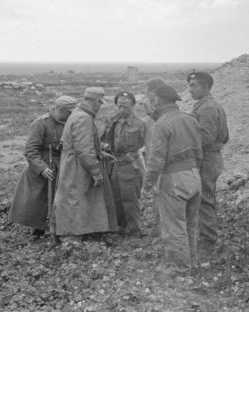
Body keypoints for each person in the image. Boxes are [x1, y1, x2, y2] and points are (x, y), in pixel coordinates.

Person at [143, 84, 203, 274]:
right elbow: (200, 151)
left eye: (153, 100)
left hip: (173, 178)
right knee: (191, 223)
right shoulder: (190, 119)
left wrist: (147, 185)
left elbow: (156, 160)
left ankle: (179, 267)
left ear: (159, 101)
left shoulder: (162, 124)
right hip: (193, 174)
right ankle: (191, 261)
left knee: (173, 225)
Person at [53, 87, 118, 246]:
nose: (99, 107)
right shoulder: (83, 118)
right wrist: (96, 173)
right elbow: (84, 150)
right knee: (75, 199)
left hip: (73, 163)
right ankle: (71, 237)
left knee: (75, 198)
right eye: (99, 103)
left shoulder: (76, 114)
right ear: (95, 101)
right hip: (78, 166)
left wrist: (101, 154)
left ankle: (80, 233)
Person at [9, 95, 77, 237]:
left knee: (60, 201)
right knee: (39, 203)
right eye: (70, 111)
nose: (72, 114)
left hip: (62, 168)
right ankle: (37, 233)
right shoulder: (41, 123)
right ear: (61, 109)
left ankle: (59, 231)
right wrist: (42, 168)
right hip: (42, 170)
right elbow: (30, 150)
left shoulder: (69, 122)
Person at [187, 71, 229, 253]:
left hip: (206, 158)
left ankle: (210, 240)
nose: (189, 90)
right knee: (204, 197)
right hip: (209, 157)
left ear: (205, 87)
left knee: (204, 198)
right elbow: (225, 136)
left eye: (193, 85)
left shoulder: (208, 109)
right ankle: (207, 235)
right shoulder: (205, 106)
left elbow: (206, 139)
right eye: (189, 85)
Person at [103, 91, 147, 236]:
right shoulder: (115, 123)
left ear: (133, 106)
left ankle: (135, 230)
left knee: (130, 200)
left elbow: (148, 146)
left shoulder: (140, 124)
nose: (122, 110)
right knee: (116, 198)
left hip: (131, 166)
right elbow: (110, 143)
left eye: (126, 106)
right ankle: (120, 227)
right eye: (119, 106)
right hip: (116, 165)